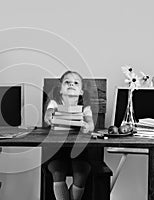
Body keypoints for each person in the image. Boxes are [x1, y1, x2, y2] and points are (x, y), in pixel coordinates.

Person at [44, 70, 94, 200]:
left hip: (79, 149)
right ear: (60, 89)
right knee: (57, 171)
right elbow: (49, 113)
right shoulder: (55, 103)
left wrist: (87, 126)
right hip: (57, 149)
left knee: (81, 172)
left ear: (81, 91)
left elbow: (90, 123)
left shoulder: (84, 107)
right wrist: (49, 116)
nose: (71, 84)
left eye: (76, 83)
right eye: (67, 82)